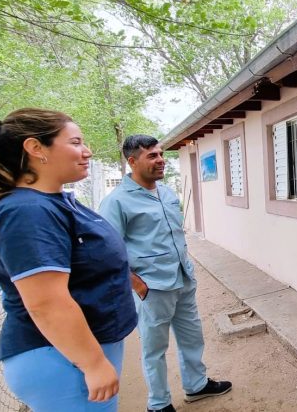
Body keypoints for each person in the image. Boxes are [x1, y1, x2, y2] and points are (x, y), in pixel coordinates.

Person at [0, 108, 138, 411]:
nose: (86, 151)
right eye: (75, 142)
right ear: (36, 149)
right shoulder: (26, 211)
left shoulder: (53, 201)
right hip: (61, 359)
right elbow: (46, 303)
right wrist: (93, 363)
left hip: (77, 353)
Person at [99, 135, 231, 412]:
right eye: (152, 156)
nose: (160, 161)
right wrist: (137, 284)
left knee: (192, 337)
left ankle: (196, 386)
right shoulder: (117, 202)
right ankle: (158, 404)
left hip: (182, 278)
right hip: (153, 287)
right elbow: (107, 252)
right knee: (154, 349)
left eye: (160, 154)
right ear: (132, 161)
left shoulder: (167, 192)